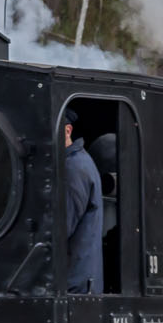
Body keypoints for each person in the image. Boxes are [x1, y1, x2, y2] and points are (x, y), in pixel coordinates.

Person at [61, 117, 104, 295]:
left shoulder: (73, 168)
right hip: (79, 280)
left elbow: (62, 228)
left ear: (67, 130)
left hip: (74, 283)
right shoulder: (79, 161)